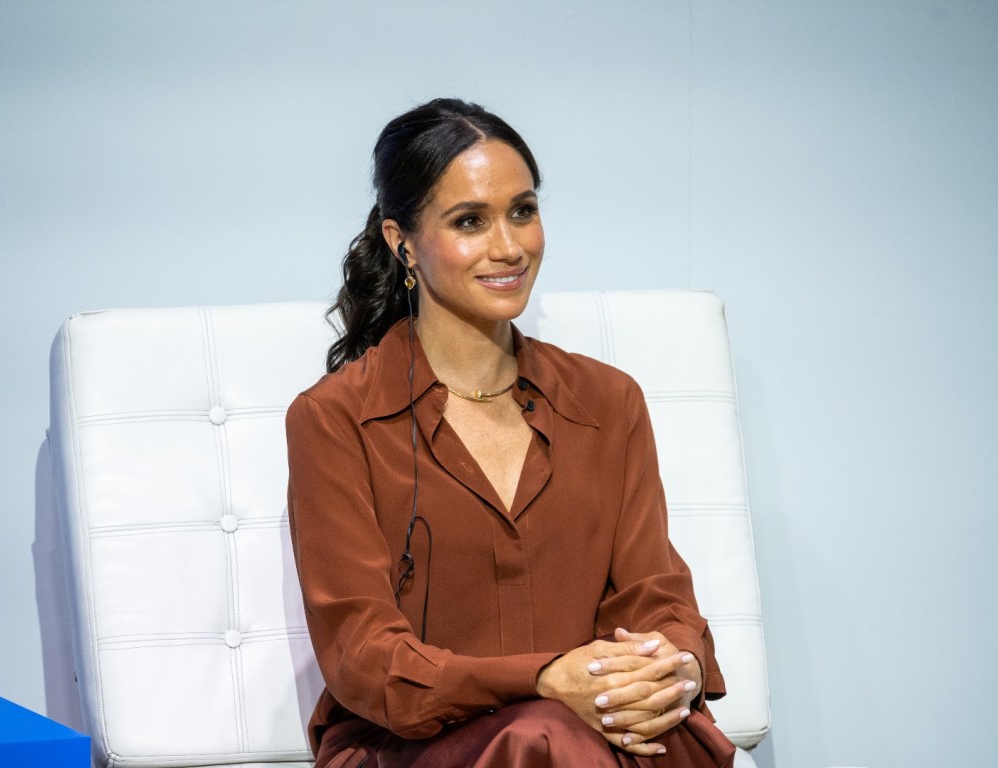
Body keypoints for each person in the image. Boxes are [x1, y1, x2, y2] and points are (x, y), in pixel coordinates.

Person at [286, 98, 736, 767]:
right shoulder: (335, 420)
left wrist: (674, 669)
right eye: (470, 221)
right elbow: (366, 657)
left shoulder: (609, 403)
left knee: (651, 734)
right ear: (400, 240)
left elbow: (656, 595)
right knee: (541, 737)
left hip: (595, 734)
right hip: (413, 747)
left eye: (523, 211)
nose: (510, 246)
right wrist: (543, 680)